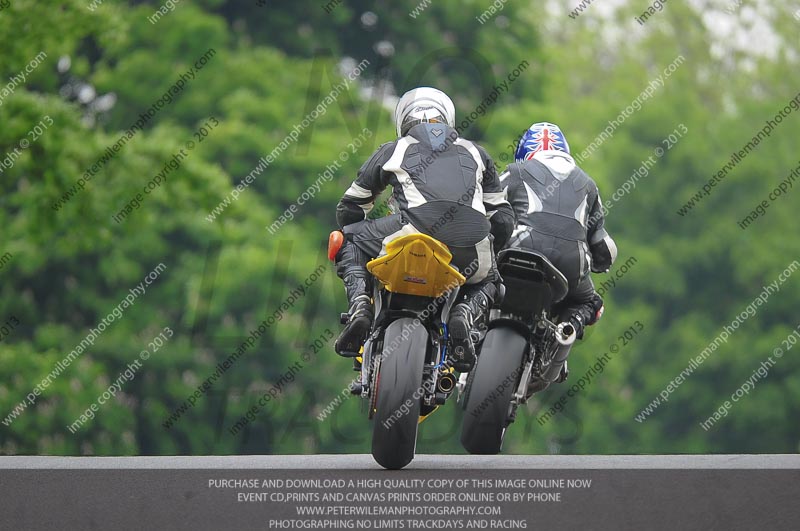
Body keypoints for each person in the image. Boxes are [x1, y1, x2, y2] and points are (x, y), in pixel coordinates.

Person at [333, 87, 515, 371]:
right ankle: (465, 313)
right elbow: (503, 219)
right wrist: (490, 249)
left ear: (403, 121)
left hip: (411, 231)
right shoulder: (477, 152)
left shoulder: (395, 148)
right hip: (471, 247)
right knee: (491, 280)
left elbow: (351, 207)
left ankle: (360, 305)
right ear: (447, 118)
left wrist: (359, 233)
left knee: (348, 240)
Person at [501, 122, 617, 379]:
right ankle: (567, 328)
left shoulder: (515, 170)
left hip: (517, 250)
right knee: (590, 302)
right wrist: (598, 262)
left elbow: (485, 208)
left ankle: (467, 315)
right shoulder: (588, 184)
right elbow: (603, 246)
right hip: (570, 265)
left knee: (475, 273)